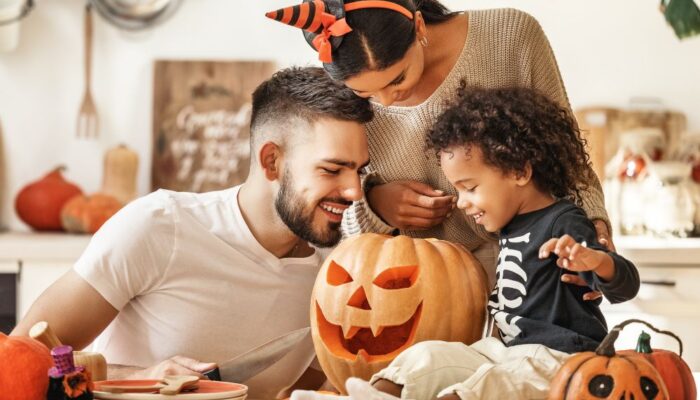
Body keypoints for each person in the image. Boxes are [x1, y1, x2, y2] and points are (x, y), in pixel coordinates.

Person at [11, 66, 373, 399]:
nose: (354, 191)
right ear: (271, 162)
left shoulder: (337, 279)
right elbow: (17, 359)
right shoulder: (159, 225)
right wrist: (141, 377)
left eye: (358, 171)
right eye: (332, 170)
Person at [292, 87, 641, 400]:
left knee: (490, 383)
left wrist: (595, 261)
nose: (460, 201)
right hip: (504, 351)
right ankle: (372, 396)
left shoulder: (564, 221)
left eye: (470, 187)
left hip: (562, 358)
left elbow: (624, 285)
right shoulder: (509, 225)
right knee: (428, 355)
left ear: (520, 171)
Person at [265, 0, 613, 292]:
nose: (386, 99)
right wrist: (375, 206)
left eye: (398, 78)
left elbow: (565, 153)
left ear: (418, 27)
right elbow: (334, 221)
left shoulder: (510, 36)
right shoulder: (337, 87)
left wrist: (593, 231)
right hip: (411, 285)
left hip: (532, 268)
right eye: (364, 93)